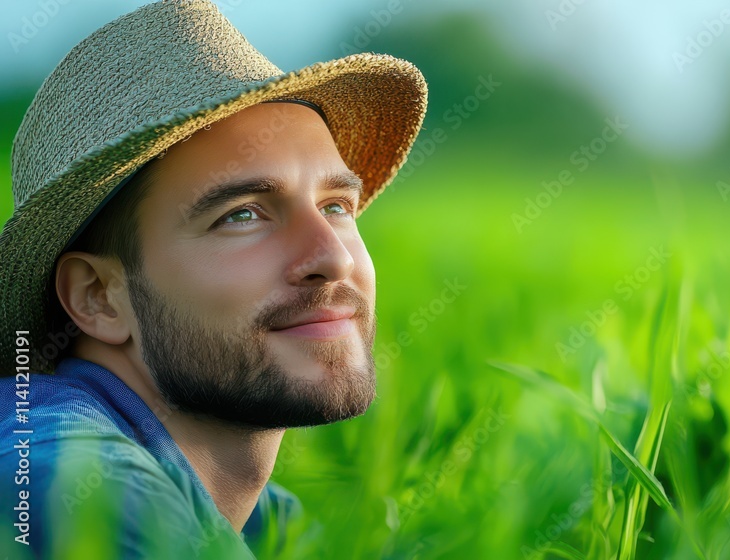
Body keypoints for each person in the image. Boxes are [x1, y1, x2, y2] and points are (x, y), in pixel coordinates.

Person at [0, 1, 427, 557]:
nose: (334, 259)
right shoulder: (64, 479)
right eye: (242, 215)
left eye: (336, 206)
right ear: (99, 297)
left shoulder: (263, 519)